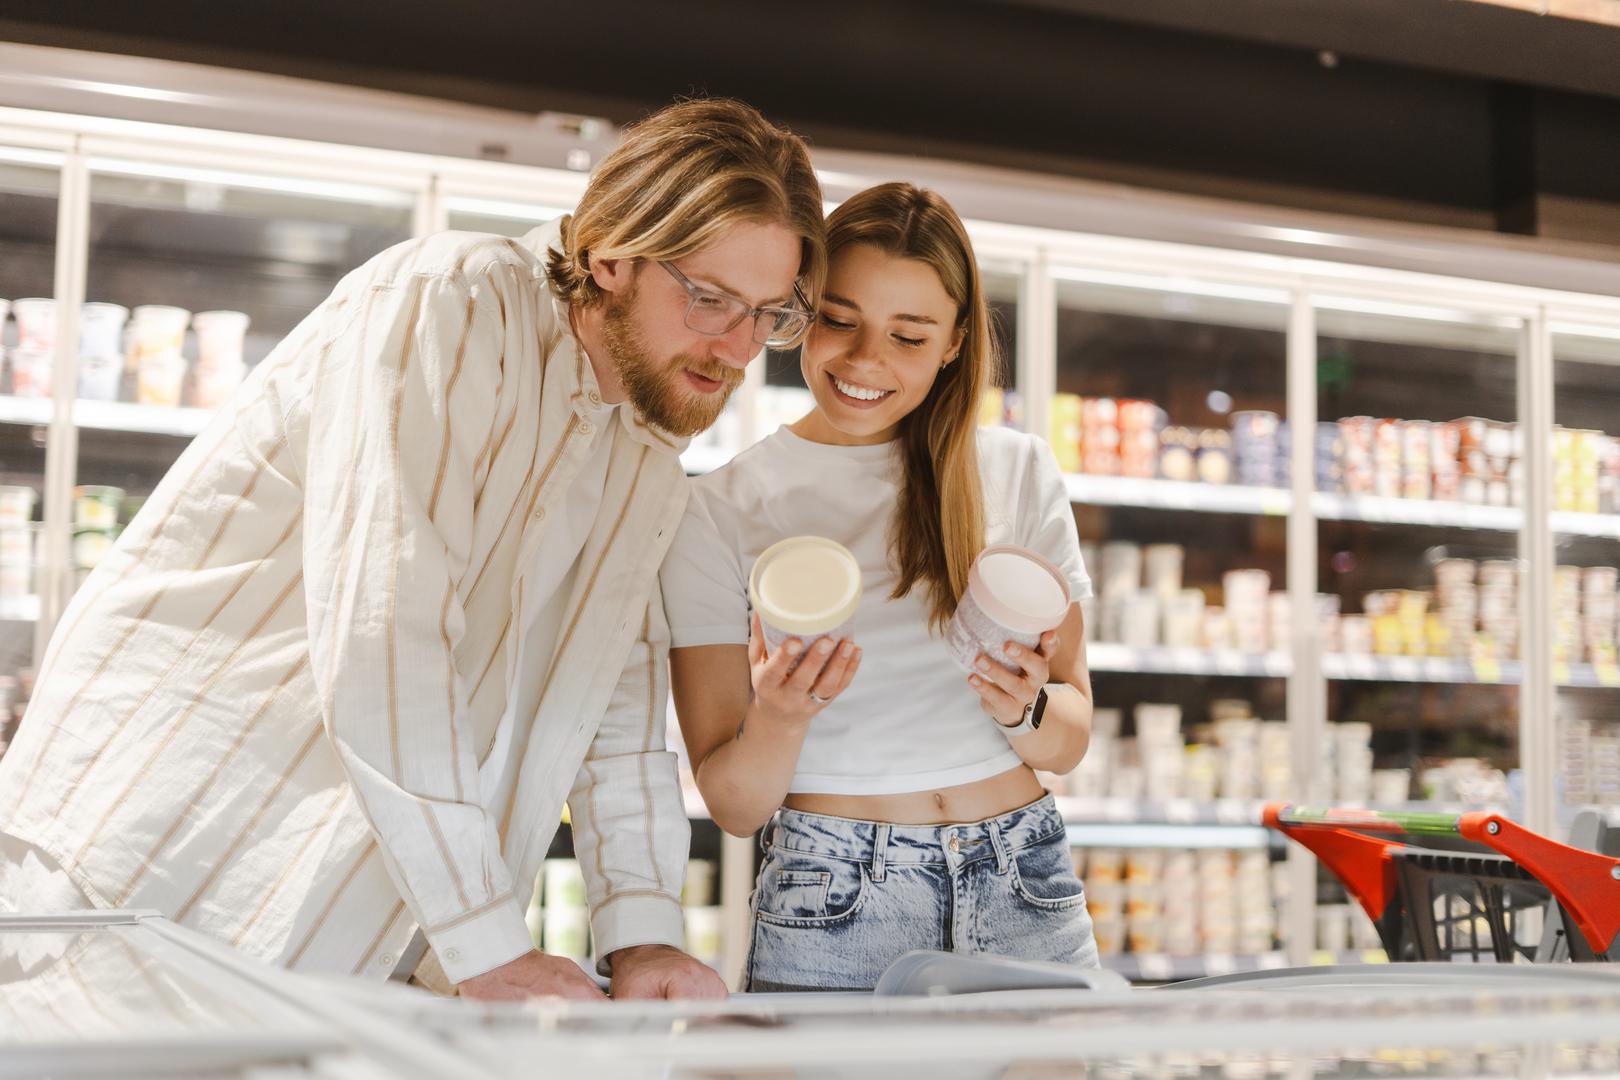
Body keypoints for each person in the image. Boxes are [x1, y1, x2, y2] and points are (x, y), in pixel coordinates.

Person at [0, 98, 825, 1003]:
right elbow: (387, 637)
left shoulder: (649, 439)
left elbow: (612, 703)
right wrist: (487, 946)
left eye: (768, 315)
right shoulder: (449, 305)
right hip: (158, 864)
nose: (738, 347)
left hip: (344, 926)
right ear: (611, 254)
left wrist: (644, 933)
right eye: (708, 299)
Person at [661, 182, 1100, 992]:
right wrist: (779, 718)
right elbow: (734, 804)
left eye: (908, 336)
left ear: (955, 343)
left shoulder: (1015, 471)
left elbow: (1070, 736)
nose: (866, 362)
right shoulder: (718, 509)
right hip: (837, 895)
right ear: (801, 310)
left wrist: (1024, 707)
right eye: (839, 319)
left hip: (1025, 879)